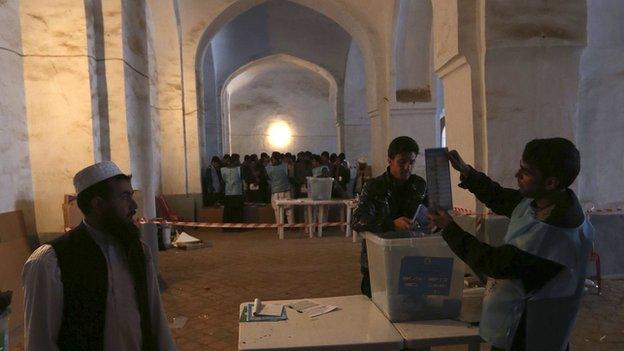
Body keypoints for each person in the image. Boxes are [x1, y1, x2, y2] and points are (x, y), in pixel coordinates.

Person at [428, 138, 593, 351]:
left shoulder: (554, 236)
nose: (517, 175)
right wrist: (467, 172)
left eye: (526, 172)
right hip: (517, 321)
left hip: (531, 332)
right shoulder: (545, 203)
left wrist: (449, 228)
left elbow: (495, 263)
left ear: (551, 182)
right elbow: (501, 198)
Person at [22, 161, 176, 350]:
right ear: (98, 204)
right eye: (125, 197)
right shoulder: (50, 261)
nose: (134, 205)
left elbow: (155, 318)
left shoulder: (138, 251)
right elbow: (40, 341)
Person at [351, 136, 428, 297]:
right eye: (402, 162)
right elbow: (357, 220)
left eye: (411, 162)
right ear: (390, 160)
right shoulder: (373, 186)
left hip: (411, 259)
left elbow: (430, 214)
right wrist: (391, 224)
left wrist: (430, 221)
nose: (407, 167)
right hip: (378, 261)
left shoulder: (419, 186)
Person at [265, 152, 295, 225]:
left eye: (273, 158)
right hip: (285, 190)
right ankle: (289, 225)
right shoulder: (286, 166)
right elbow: (291, 177)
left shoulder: (268, 168)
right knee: (288, 210)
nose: (272, 160)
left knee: (279, 211)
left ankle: (281, 227)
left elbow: (267, 178)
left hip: (277, 192)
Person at [221, 153, 244, 230]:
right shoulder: (239, 169)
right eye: (238, 159)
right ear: (236, 160)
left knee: (229, 212)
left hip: (228, 193)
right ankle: (237, 228)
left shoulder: (223, 170)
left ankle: (228, 228)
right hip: (237, 193)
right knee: (237, 212)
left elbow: (224, 180)